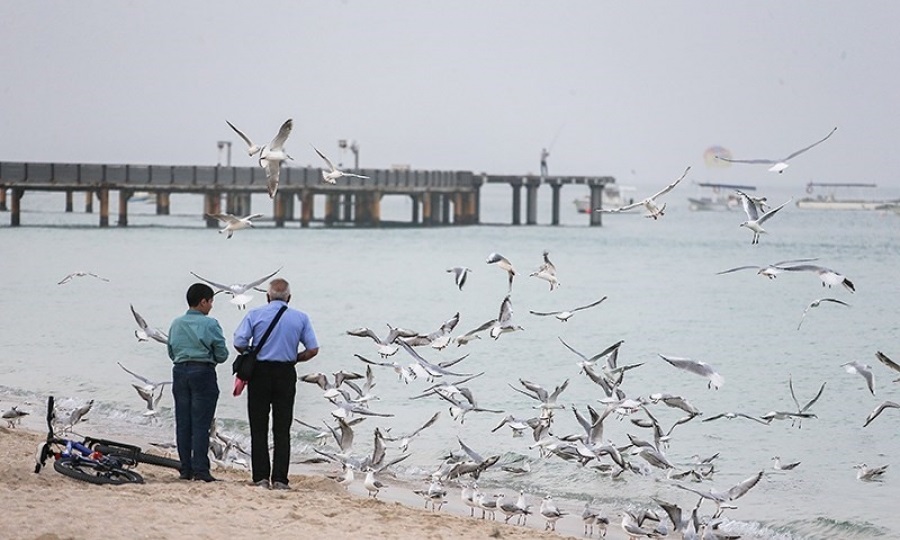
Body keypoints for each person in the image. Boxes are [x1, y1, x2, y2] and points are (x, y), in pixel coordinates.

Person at [233, 278, 319, 490]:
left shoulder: (254, 314)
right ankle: (280, 479)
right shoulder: (301, 318)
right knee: (282, 429)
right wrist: (293, 357)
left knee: (258, 427)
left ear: (267, 296)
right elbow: (312, 349)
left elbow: (239, 342)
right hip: (285, 373)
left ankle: (261, 477)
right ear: (289, 298)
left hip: (260, 373)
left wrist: (252, 354)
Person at [167, 283, 229, 482]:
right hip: (202, 371)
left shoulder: (176, 323)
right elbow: (222, 354)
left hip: (179, 371)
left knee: (183, 423)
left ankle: (186, 469)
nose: (211, 306)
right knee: (201, 424)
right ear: (203, 301)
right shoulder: (210, 324)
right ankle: (201, 469)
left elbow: (171, 351)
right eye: (210, 302)